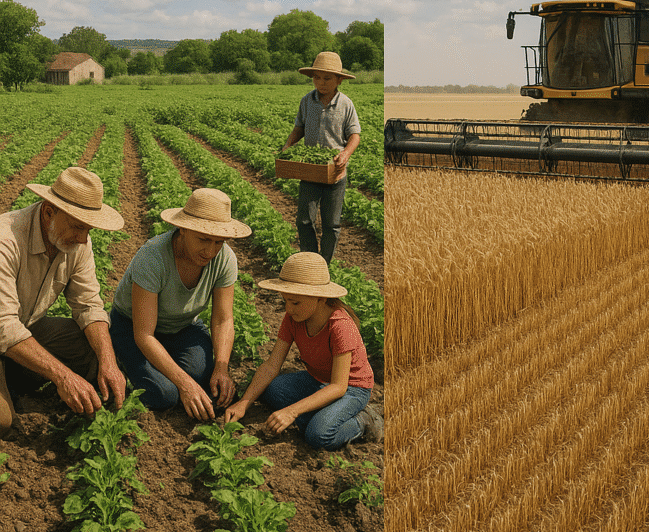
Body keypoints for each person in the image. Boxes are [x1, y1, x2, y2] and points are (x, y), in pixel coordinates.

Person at [0, 166, 127, 436]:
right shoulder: (6, 241)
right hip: (5, 329)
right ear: (49, 212)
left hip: (27, 327)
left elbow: (88, 304)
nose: (83, 239)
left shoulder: (77, 241)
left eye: (88, 229)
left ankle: (17, 372)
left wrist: (108, 363)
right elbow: (4, 326)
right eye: (78, 227)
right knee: (3, 421)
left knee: (98, 349)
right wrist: (63, 376)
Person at [109, 188, 251, 421]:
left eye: (219, 241)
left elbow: (223, 319)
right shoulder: (153, 257)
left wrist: (222, 367)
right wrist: (184, 384)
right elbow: (144, 335)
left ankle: (167, 366)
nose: (210, 251)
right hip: (132, 326)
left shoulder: (224, 258)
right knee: (164, 394)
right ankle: (118, 358)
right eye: (203, 239)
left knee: (203, 377)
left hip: (182, 327)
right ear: (183, 229)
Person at [224, 251, 382, 449]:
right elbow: (272, 365)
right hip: (317, 380)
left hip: (352, 388)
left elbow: (338, 387)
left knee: (318, 434)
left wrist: (292, 411)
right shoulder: (292, 319)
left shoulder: (340, 325)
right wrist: (243, 403)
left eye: (295, 302)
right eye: (285, 301)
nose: (288, 308)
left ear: (321, 298)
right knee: (272, 391)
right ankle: (317, 412)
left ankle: (364, 421)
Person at [282, 51, 361, 263]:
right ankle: (310, 260)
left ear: (339, 80)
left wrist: (345, 153)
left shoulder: (346, 104)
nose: (322, 83)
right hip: (311, 170)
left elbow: (354, 135)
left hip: (335, 172)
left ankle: (324, 263)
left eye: (327, 78)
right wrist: (288, 146)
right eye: (317, 77)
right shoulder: (307, 101)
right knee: (304, 220)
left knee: (332, 224)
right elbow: (299, 127)